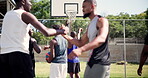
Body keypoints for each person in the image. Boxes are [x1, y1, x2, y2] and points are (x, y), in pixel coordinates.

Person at [0, 0, 68, 78]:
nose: (31, 4)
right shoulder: (25, 14)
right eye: (29, 1)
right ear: (23, 1)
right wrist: (62, 31)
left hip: (3, 56)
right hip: (19, 55)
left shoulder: (7, 15)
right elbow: (47, 32)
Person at [62, 0, 110, 78]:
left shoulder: (101, 20)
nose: (82, 9)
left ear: (92, 7)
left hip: (98, 62)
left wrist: (80, 50)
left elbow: (101, 38)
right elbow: (81, 42)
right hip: (94, 62)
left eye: (84, 6)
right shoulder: (91, 24)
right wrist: (65, 35)